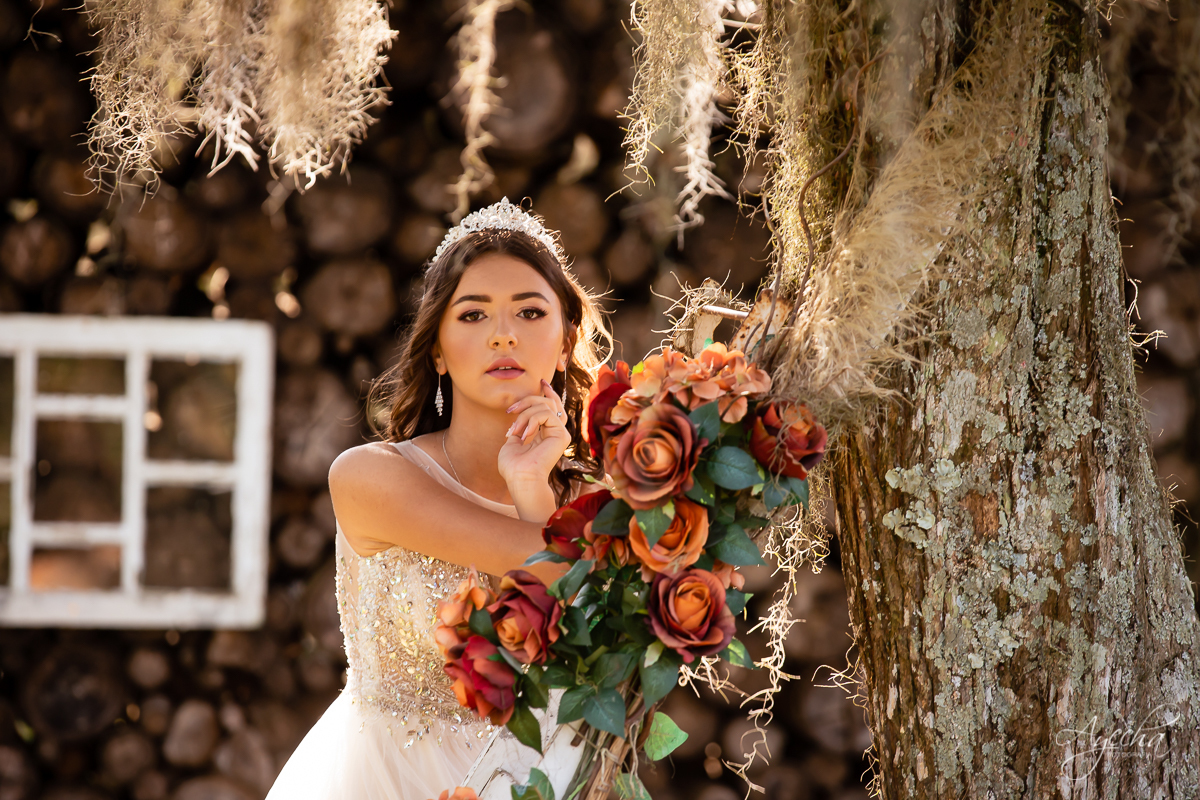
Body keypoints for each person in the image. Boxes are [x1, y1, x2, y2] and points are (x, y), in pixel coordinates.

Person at [263, 198, 611, 800]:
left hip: (549, 780)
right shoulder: (372, 478)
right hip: (385, 780)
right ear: (438, 351)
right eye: (473, 316)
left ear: (563, 344)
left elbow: (595, 653)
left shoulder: (595, 497)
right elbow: (550, 568)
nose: (504, 333)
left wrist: (533, 487)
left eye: (530, 312)